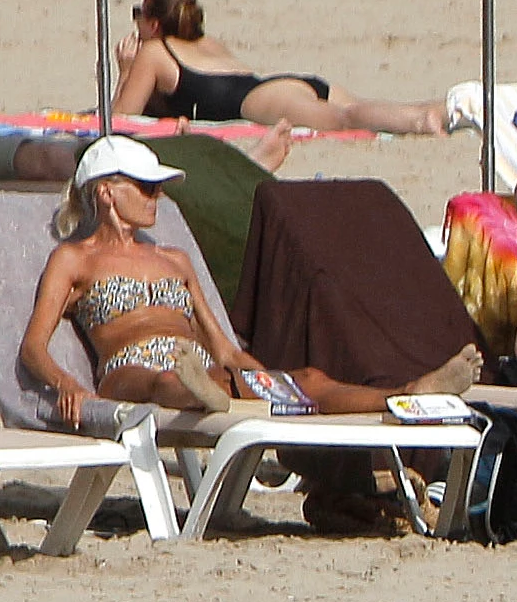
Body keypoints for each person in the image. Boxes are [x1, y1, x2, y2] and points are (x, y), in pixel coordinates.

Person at [24, 135, 428, 444]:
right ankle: (195, 391)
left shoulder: (175, 259)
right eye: (147, 187)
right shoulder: (74, 259)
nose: (158, 196)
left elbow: (225, 350)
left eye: (159, 188)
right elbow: (33, 347)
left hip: (202, 369)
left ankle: (405, 394)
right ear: (106, 191)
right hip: (129, 372)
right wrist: (69, 386)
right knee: (163, 383)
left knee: (309, 378)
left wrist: (270, 380)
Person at [109, 0, 445, 137]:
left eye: (138, 14)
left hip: (257, 101)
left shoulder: (154, 52)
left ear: (153, 24)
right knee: (360, 105)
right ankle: (446, 109)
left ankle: (420, 123)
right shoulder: (207, 43)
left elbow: (121, 120)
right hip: (277, 86)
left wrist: (125, 72)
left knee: (348, 118)